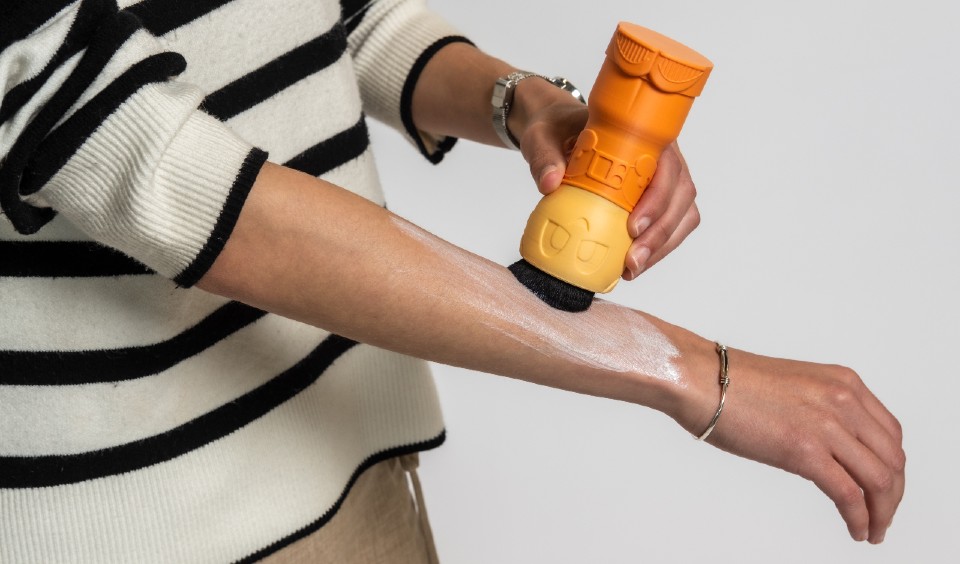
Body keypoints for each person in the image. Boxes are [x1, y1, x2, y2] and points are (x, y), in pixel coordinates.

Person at [0, 1, 904, 562]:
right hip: (143, 522)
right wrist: (683, 368)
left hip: (354, 461)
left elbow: (347, 18)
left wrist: (523, 104)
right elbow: (164, 178)